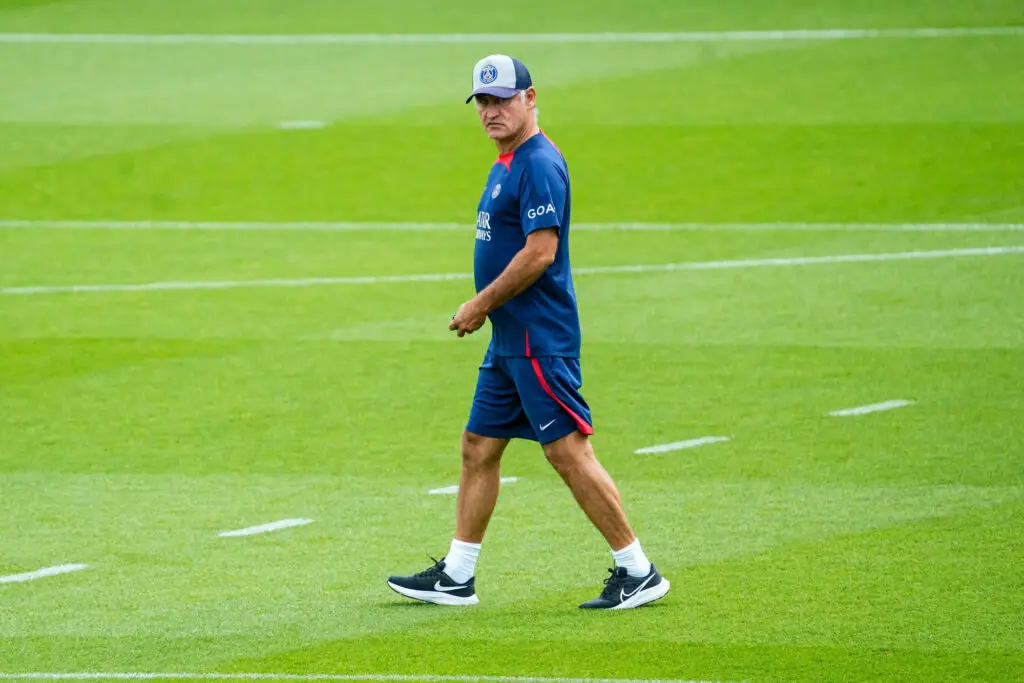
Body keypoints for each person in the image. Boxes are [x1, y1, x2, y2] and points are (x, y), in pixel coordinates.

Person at [386, 54, 669, 610]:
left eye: (502, 100)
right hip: (510, 342)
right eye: (483, 102)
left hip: (539, 340)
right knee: (478, 447)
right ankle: (457, 576)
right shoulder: (508, 161)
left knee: (568, 453)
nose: (491, 111)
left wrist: (480, 304)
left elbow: (541, 252)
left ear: (530, 98)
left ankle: (638, 570)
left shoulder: (538, 163)